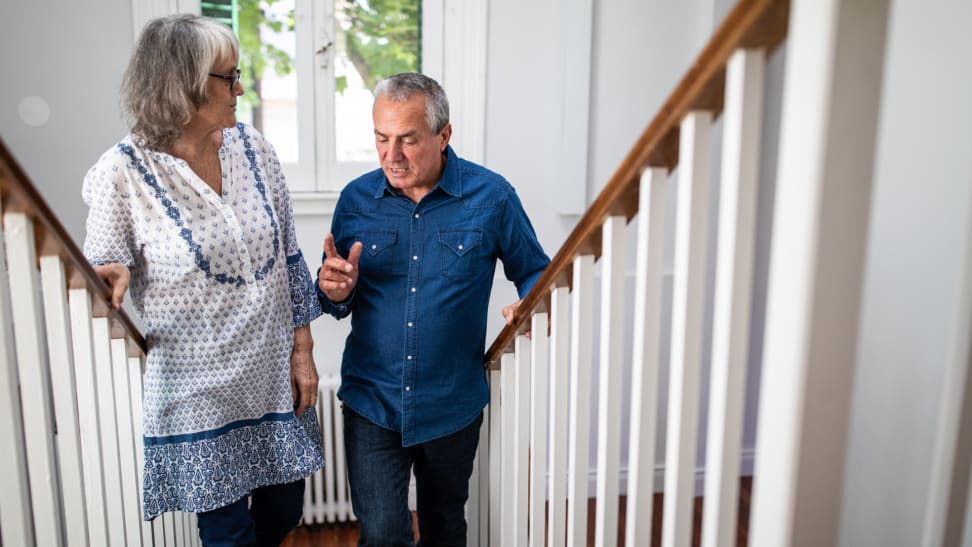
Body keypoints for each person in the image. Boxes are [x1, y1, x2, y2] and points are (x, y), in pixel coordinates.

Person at [82, 14, 324, 546]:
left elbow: (289, 256)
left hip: (268, 373)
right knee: (228, 534)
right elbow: (106, 259)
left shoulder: (255, 149)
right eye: (228, 77)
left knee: (284, 513)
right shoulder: (121, 172)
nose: (241, 87)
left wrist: (302, 351)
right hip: (197, 390)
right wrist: (114, 270)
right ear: (182, 85)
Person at [317, 72, 550, 546]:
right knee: (383, 535)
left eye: (408, 139)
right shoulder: (357, 200)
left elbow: (535, 270)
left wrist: (532, 300)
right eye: (381, 139)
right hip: (372, 402)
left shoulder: (492, 197)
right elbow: (333, 295)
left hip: (451, 404)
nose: (391, 155)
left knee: (445, 527)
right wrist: (336, 290)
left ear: (444, 136)